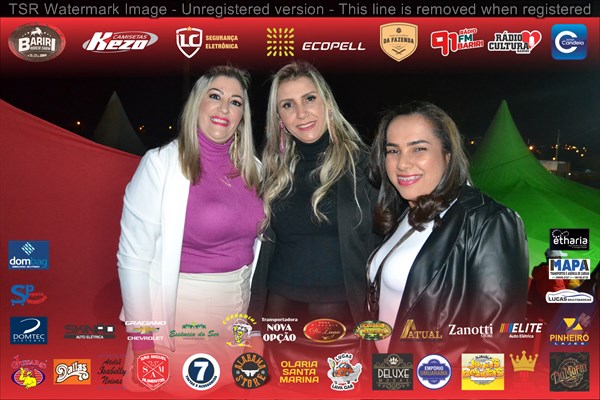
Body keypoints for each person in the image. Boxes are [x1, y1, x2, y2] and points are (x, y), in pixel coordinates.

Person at [116, 65, 263, 392]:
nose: (224, 108)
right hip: (181, 318)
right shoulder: (160, 164)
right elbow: (133, 261)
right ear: (197, 103)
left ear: (243, 116)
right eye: (215, 96)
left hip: (238, 316)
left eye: (235, 102)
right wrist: (142, 345)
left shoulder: (256, 170)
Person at [368, 101, 529, 363]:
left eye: (418, 149)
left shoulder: (489, 221)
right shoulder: (404, 211)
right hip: (388, 373)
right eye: (393, 150)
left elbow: (495, 345)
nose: (402, 163)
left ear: (448, 155)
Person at [248, 61, 379, 377]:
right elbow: (263, 254)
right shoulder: (272, 171)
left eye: (309, 99)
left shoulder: (365, 166)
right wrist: (253, 325)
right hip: (279, 318)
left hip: (344, 319)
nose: (301, 113)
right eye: (288, 105)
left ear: (327, 103)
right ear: (279, 118)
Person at [527, 248, 569, 324]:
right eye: (559, 258)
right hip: (554, 305)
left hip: (548, 302)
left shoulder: (542, 270)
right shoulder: (552, 272)